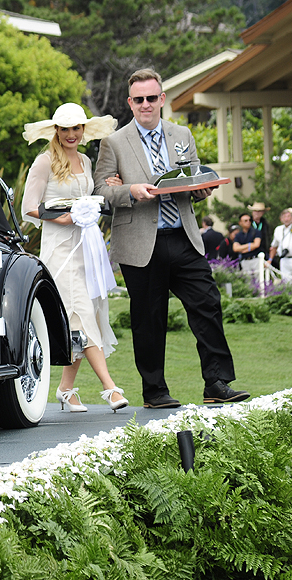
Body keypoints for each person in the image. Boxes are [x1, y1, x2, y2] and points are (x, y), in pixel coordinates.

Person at [93, 68, 248, 408]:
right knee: (149, 318)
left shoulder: (182, 134)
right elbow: (101, 191)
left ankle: (217, 383)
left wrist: (202, 189)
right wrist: (131, 191)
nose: (146, 104)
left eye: (152, 98)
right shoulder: (114, 142)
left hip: (184, 237)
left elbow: (193, 178)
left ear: (162, 99)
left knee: (207, 304)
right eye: (139, 99)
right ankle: (155, 392)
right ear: (130, 103)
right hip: (139, 243)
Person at [21, 103, 128, 412]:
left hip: (86, 248)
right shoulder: (44, 162)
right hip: (60, 252)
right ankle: (110, 389)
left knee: (84, 317)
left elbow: (90, 199)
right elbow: (29, 207)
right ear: (56, 130)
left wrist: (108, 190)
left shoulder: (84, 160)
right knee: (79, 313)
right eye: (65, 129)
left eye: (76, 128)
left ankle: (66, 389)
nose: (71, 134)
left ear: (84, 130)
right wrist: (61, 218)